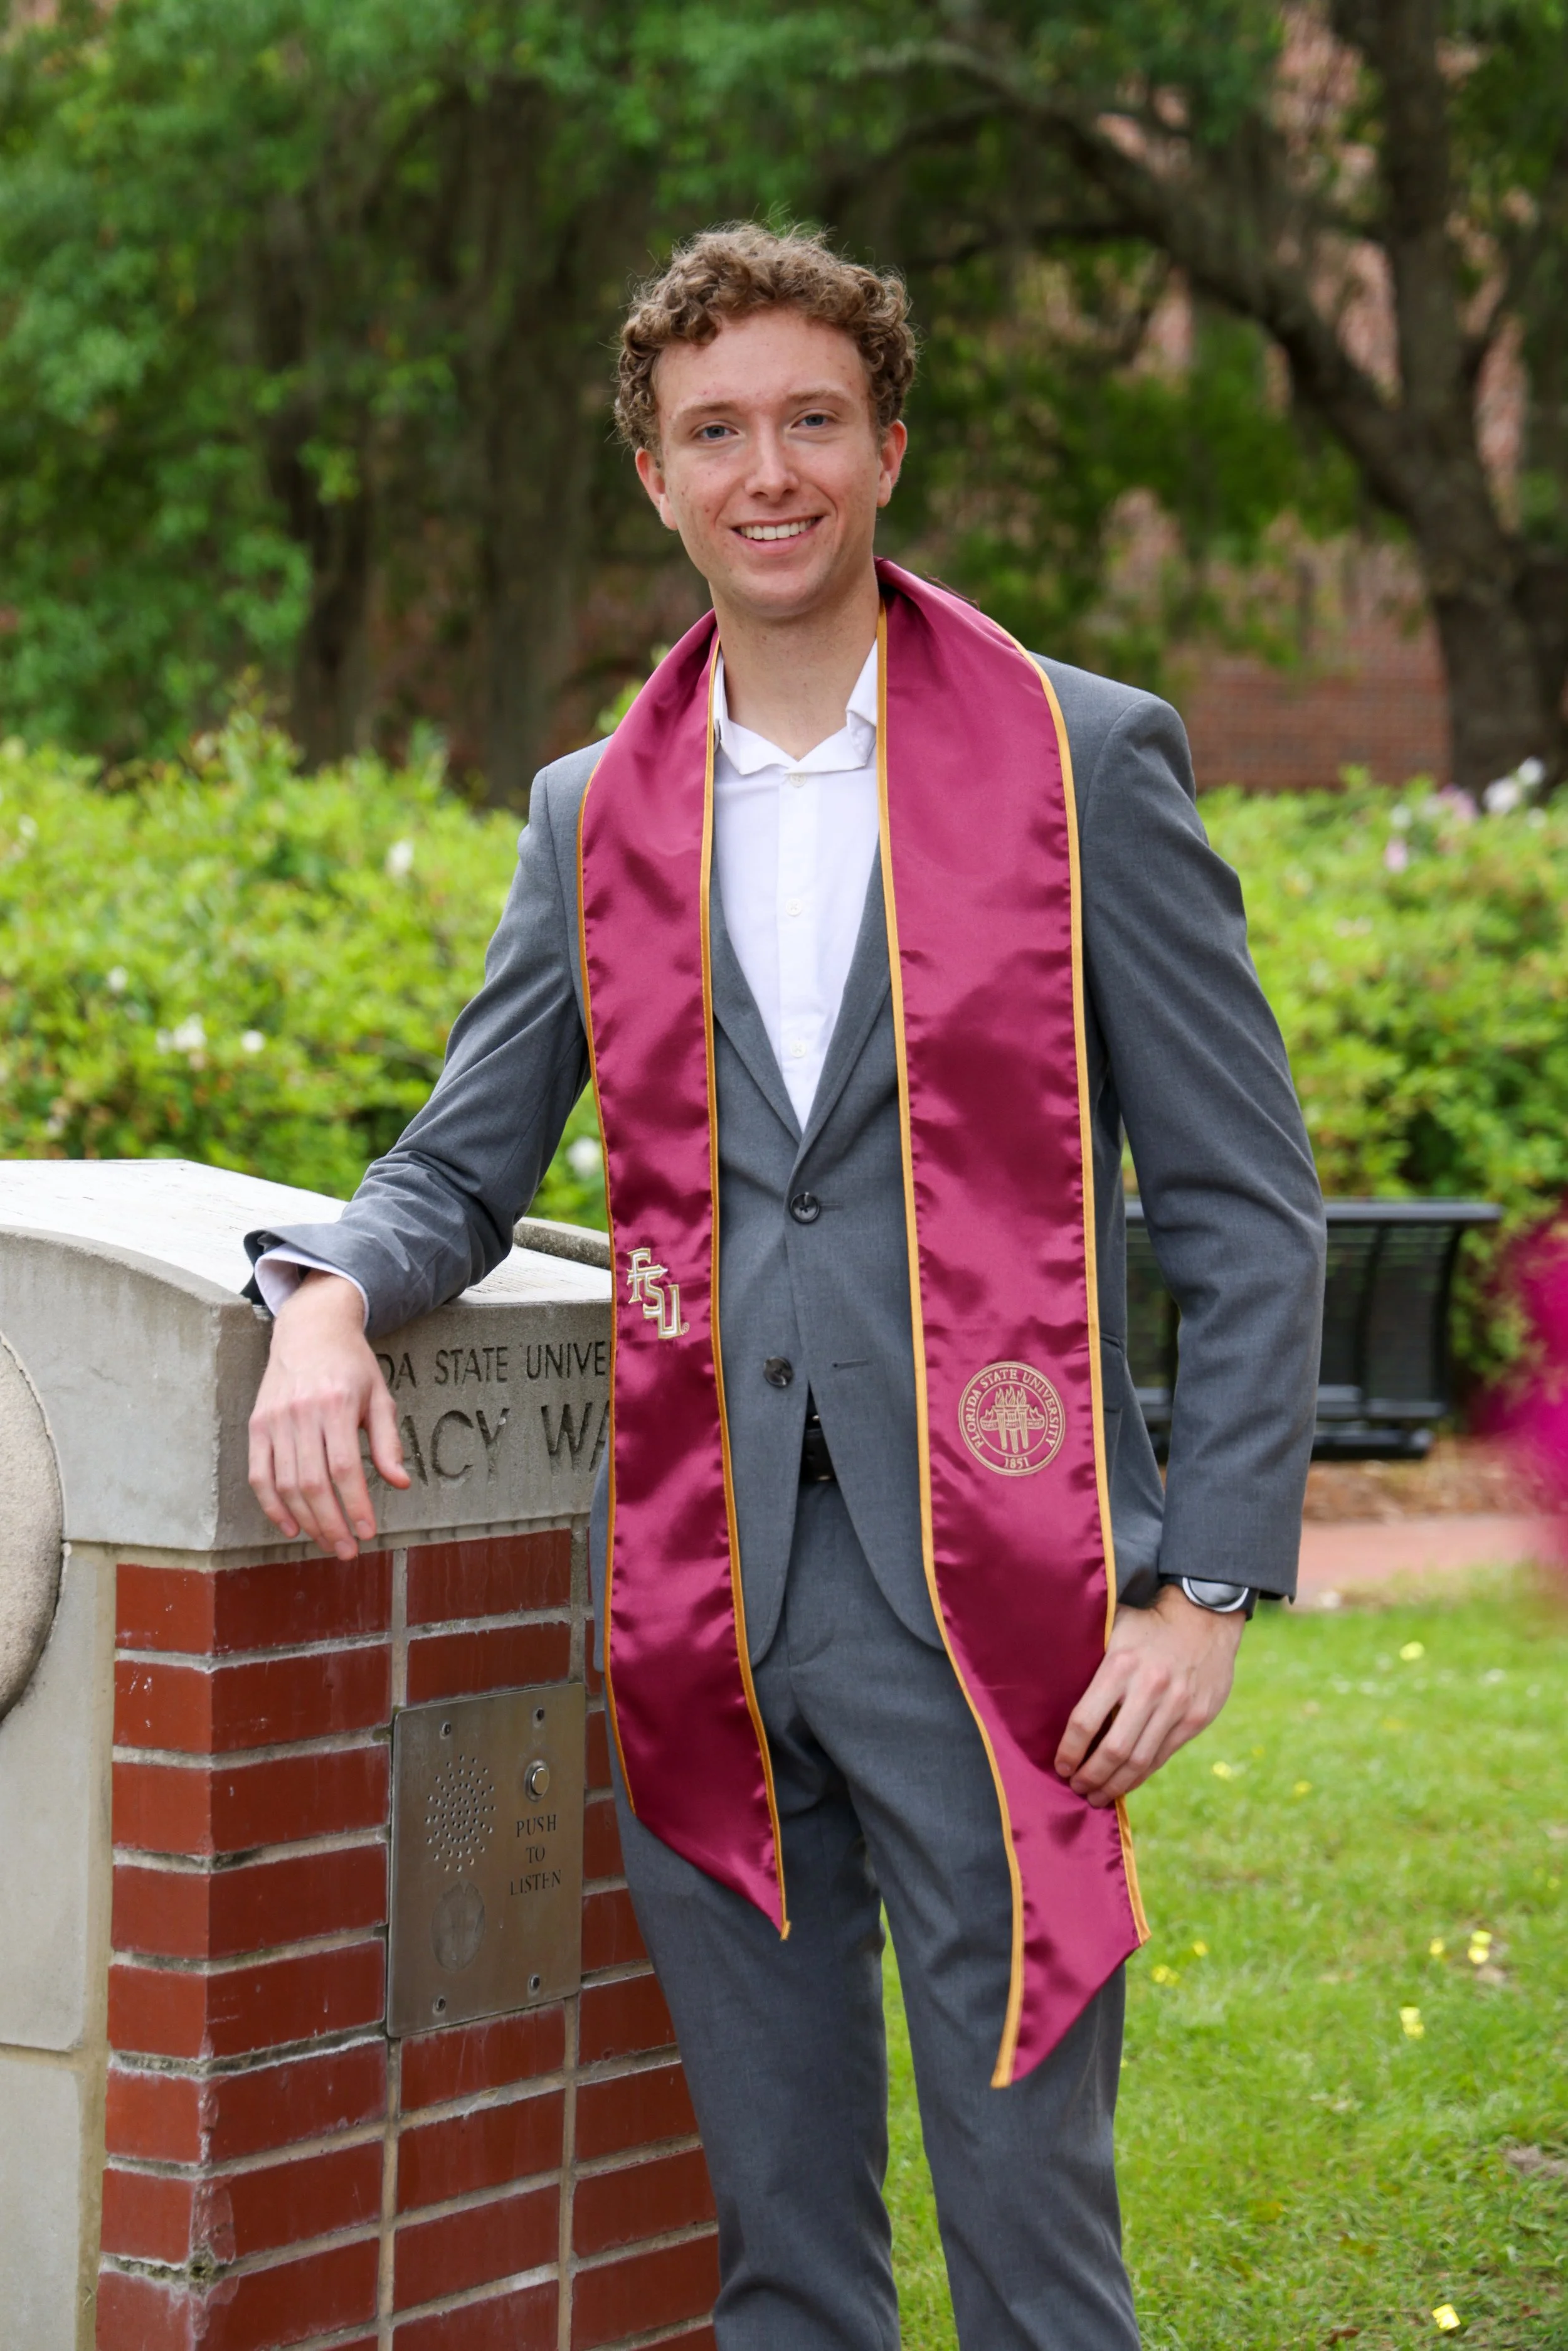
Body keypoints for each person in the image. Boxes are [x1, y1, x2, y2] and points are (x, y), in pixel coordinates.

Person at [245, 223, 1325, 2351]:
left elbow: (1243, 1201)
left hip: (1000, 1584)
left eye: (811, 421)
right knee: (773, 2254)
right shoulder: (592, 807)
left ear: (886, 446)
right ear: (652, 474)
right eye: (714, 430)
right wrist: (322, 1292)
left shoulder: (1082, 761)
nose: (768, 471)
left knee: (1033, 2243)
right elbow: (467, 1155)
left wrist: (1209, 1586)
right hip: (700, 1581)